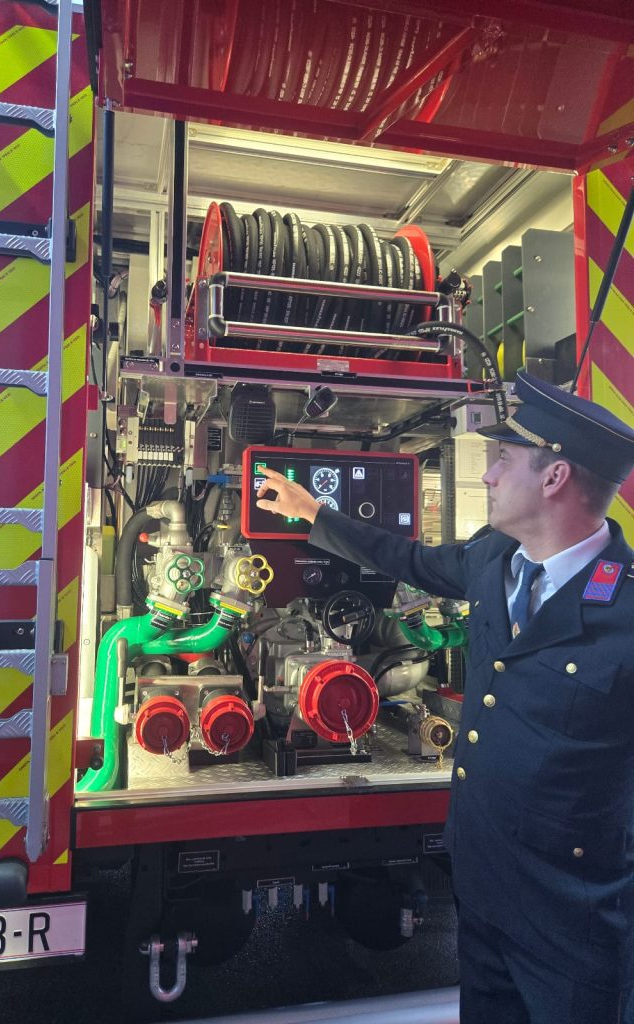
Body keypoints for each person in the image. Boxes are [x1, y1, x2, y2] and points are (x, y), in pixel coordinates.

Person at [256, 370, 634, 1024]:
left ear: (554, 478)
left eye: (503, 458)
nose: (487, 475)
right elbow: (409, 560)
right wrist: (314, 513)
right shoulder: (495, 561)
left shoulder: (624, 609)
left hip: (574, 914)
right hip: (482, 890)